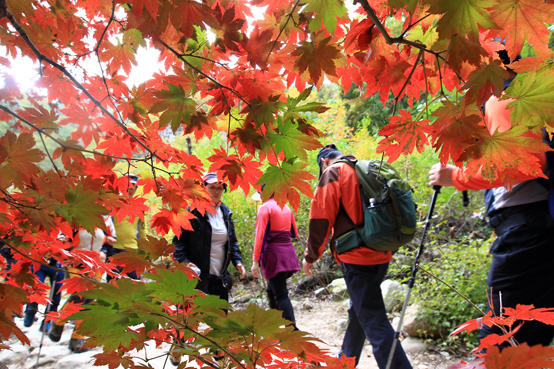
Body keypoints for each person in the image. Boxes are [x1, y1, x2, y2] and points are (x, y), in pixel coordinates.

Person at [428, 59, 554, 346]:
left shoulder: (504, 98)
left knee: (500, 339)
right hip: (535, 227)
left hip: (526, 232)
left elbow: (528, 162)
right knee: (528, 339)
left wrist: (456, 176)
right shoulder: (529, 92)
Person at [302, 144, 412, 369]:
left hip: (356, 256)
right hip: (381, 253)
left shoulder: (333, 172)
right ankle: (345, 362)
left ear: (324, 162)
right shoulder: (366, 170)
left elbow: (321, 218)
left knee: (373, 318)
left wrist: (310, 256)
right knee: (359, 311)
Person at [170, 172, 246, 366]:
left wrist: (237, 261)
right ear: (203, 188)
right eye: (212, 187)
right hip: (195, 275)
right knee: (186, 318)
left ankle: (219, 358)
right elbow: (178, 244)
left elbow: (233, 242)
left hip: (219, 276)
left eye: (220, 187)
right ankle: (177, 349)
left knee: (220, 319)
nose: (216, 191)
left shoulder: (226, 213)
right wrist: (185, 262)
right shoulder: (190, 212)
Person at [48, 216, 116, 353]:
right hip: (74, 261)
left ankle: (77, 338)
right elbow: (62, 238)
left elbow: (111, 240)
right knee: (79, 296)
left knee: (90, 300)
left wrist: (104, 252)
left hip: (95, 264)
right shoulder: (75, 216)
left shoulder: (107, 218)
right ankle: (58, 321)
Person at [251, 184, 300, 329]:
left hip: (274, 255)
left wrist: (255, 261)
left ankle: (292, 331)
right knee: (272, 291)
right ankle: (273, 327)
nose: (259, 197)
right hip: (288, 253)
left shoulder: (265, 208)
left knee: (280, 294)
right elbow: (294, 233)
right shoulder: (286, 207)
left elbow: (259, 236)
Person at [101, 174, 145, 280]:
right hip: (114, 248)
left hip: (132, 249)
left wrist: (145, 248)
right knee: (114, 280)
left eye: (133, 186)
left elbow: (142, 229)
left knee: (134, 281)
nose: (130, 189)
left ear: (136, 188)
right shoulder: (113, 203)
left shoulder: (140, 206)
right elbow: (104, 224)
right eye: (127, 185)